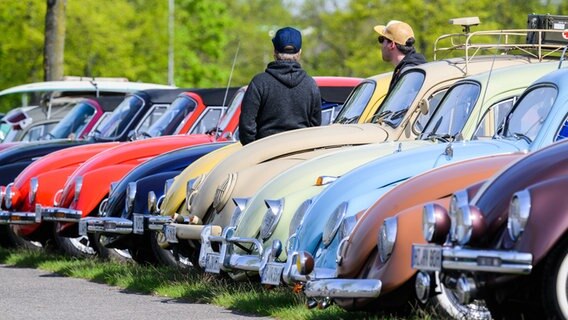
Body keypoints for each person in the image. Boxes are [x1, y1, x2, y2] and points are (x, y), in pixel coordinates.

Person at [239, 26, 321, 146]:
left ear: (274, 52)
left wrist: (255, 151)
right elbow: (315, 127)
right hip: (300, 156)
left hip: (265, 155)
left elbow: (247, 126)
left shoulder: (260, 83)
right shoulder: (311, 85)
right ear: (299, 53)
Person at [374, 20, 427, 93]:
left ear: (391, 45)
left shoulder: (408, 75)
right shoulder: (414, 69)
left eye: (382, 40)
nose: (381, 45)